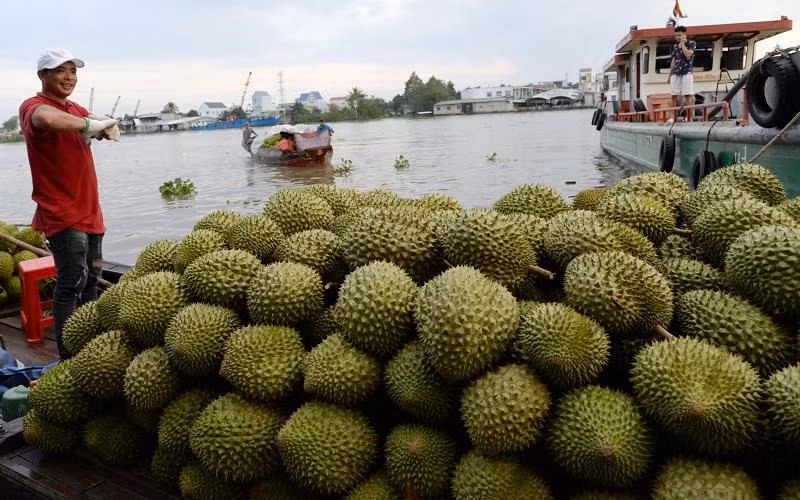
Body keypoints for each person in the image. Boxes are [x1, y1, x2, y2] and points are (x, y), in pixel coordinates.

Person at [18, 48, 117, 360]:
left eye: (73, 71)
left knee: (90, 281)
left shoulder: (75, 108)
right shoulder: (33, 106)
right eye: (60, 70)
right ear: (42, 75)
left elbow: (87, 123)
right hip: (61, 212)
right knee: (70, 282)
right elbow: (48, 119)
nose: (69, 77)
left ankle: (91, 349)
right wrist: (88, 125)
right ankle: (68, 357)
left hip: (90, 211)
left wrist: (102, 126)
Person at [668, 25, 696, 121]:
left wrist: (683, 44)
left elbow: (688, 54)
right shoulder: (675, 46)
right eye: (676, 35)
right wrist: (669, 76)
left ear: (684, 34)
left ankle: (689, 117)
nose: (677, 37)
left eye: (679, 35)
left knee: (688, 95)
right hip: (676, 73)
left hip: (687, 72)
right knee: (673, 95)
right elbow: (673, 61)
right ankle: (672, 117)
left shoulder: (691, 43)